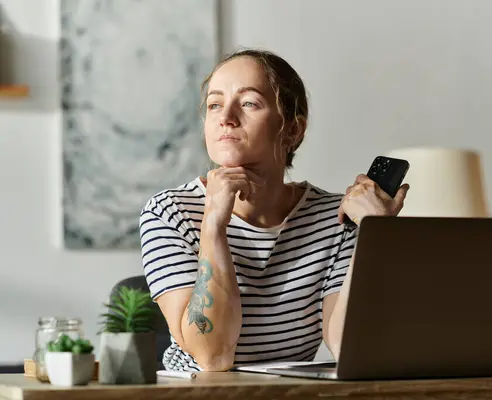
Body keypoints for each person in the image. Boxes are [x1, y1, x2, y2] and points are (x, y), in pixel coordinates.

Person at [139, 49, 409, 372]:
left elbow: (345, 345)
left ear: (293, 130)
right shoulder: (168, 213)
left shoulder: (335, 220)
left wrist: (374, 234)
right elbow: (213, 356)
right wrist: (212, 224)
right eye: (214, 104)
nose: (226, 116)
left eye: (249, 103)